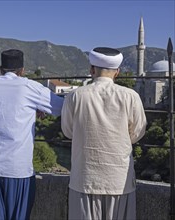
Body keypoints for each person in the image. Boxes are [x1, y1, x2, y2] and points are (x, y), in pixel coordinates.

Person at [0, 49, 64, 220]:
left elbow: (4, 103)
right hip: (17, 169)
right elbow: (61, 108)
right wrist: (36, 107)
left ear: (1, 69)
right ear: (22, 71)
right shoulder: (30, 87)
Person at [61, 47, 147, 220]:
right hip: (119, 180)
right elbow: (138, 132)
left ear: (92, 69)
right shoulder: (131, 96)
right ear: (117, 72)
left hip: (84, 179)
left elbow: (68, 132)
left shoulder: (75, 96)